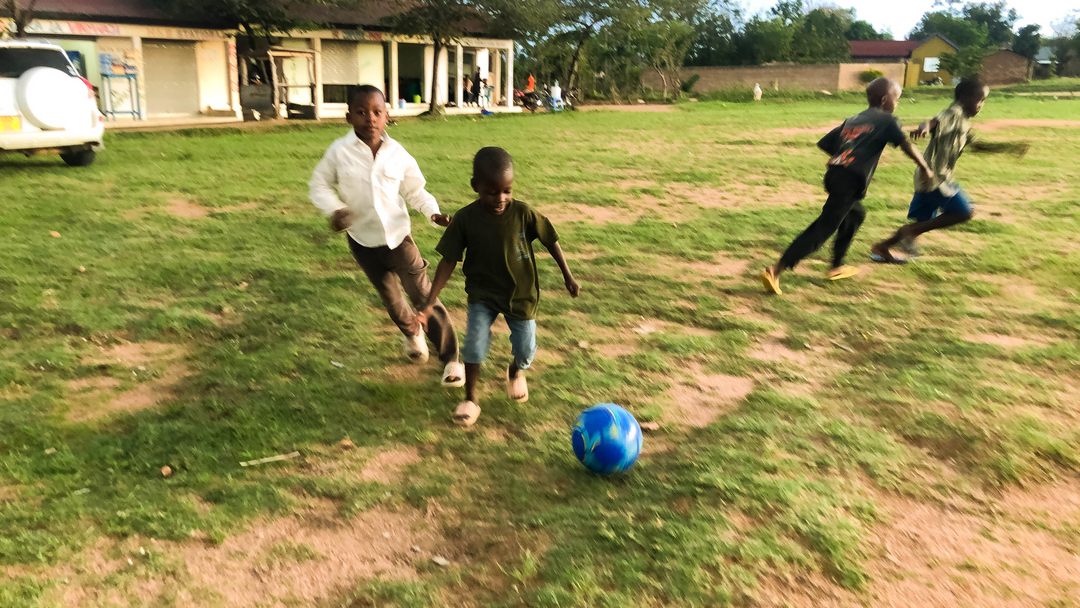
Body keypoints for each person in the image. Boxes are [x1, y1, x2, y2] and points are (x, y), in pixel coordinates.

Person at [309, 85, 465, 387]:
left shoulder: (397, 154)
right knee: (393, 301)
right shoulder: (339, 153)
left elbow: (415, 190)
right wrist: (335, 209)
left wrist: (433, 213)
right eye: (361, 112)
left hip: (399, 239)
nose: (370, 118)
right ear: (348, 117)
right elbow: (319, 184)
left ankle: (451, 359)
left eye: (377, 112)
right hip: (363, 242)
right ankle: (412, 332)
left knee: (423, 295)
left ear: (386, 116)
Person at [416, 147, 580, 427]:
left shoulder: (523, 213)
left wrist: (568, 275)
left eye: (507, 191)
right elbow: (448, 260)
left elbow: (550, 239)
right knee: (474, 344)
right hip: (483, 295)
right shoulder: (465, 219)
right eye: (492, 192)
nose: (501, 198)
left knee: (525, 349)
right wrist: (430, 301)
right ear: (475, 186)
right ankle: (470, 399)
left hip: (521, 295)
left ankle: (515, 371)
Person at [761, 77, 934, 295]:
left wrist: (844, 156)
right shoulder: (887, 120)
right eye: (896, 99)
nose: (897, 103)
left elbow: (826, 143)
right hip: (849, 180)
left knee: (856, 214)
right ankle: (776, 269)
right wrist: (925, 168)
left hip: (835, 174)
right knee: (824, 227)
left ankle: (836, 265)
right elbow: (906, 144)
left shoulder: (854, 119)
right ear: (884, 100)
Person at [870, 78, 1027, 263]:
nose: (981, 105)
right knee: (964, 212)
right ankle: (909, 232)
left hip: (929, 176)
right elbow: (935, 121)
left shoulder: (964, 122)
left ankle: (882, 247)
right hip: (934, 177)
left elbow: (978, 146)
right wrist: (924, 128)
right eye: (980, 100)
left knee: (922, 223)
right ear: (965, 98)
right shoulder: (954, 113)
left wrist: (1008, 148)